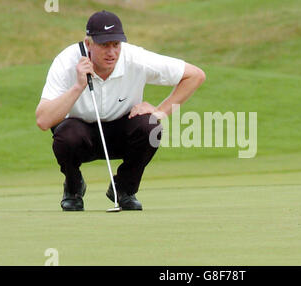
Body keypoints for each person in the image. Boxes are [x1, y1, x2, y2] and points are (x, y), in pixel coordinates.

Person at [35, 10, 205, 211]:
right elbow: (43, 120)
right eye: (104, 45)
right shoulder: (66, 62)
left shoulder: (135, 58)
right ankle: (73, 187)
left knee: (150, 125)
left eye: (116, 45)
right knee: (66, 135)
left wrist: (160, 112)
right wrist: (78, 86)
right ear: (88, 44)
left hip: (122, 134)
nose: (111, 52)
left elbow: (195, 75)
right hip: (81, 136)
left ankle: (123, 189)